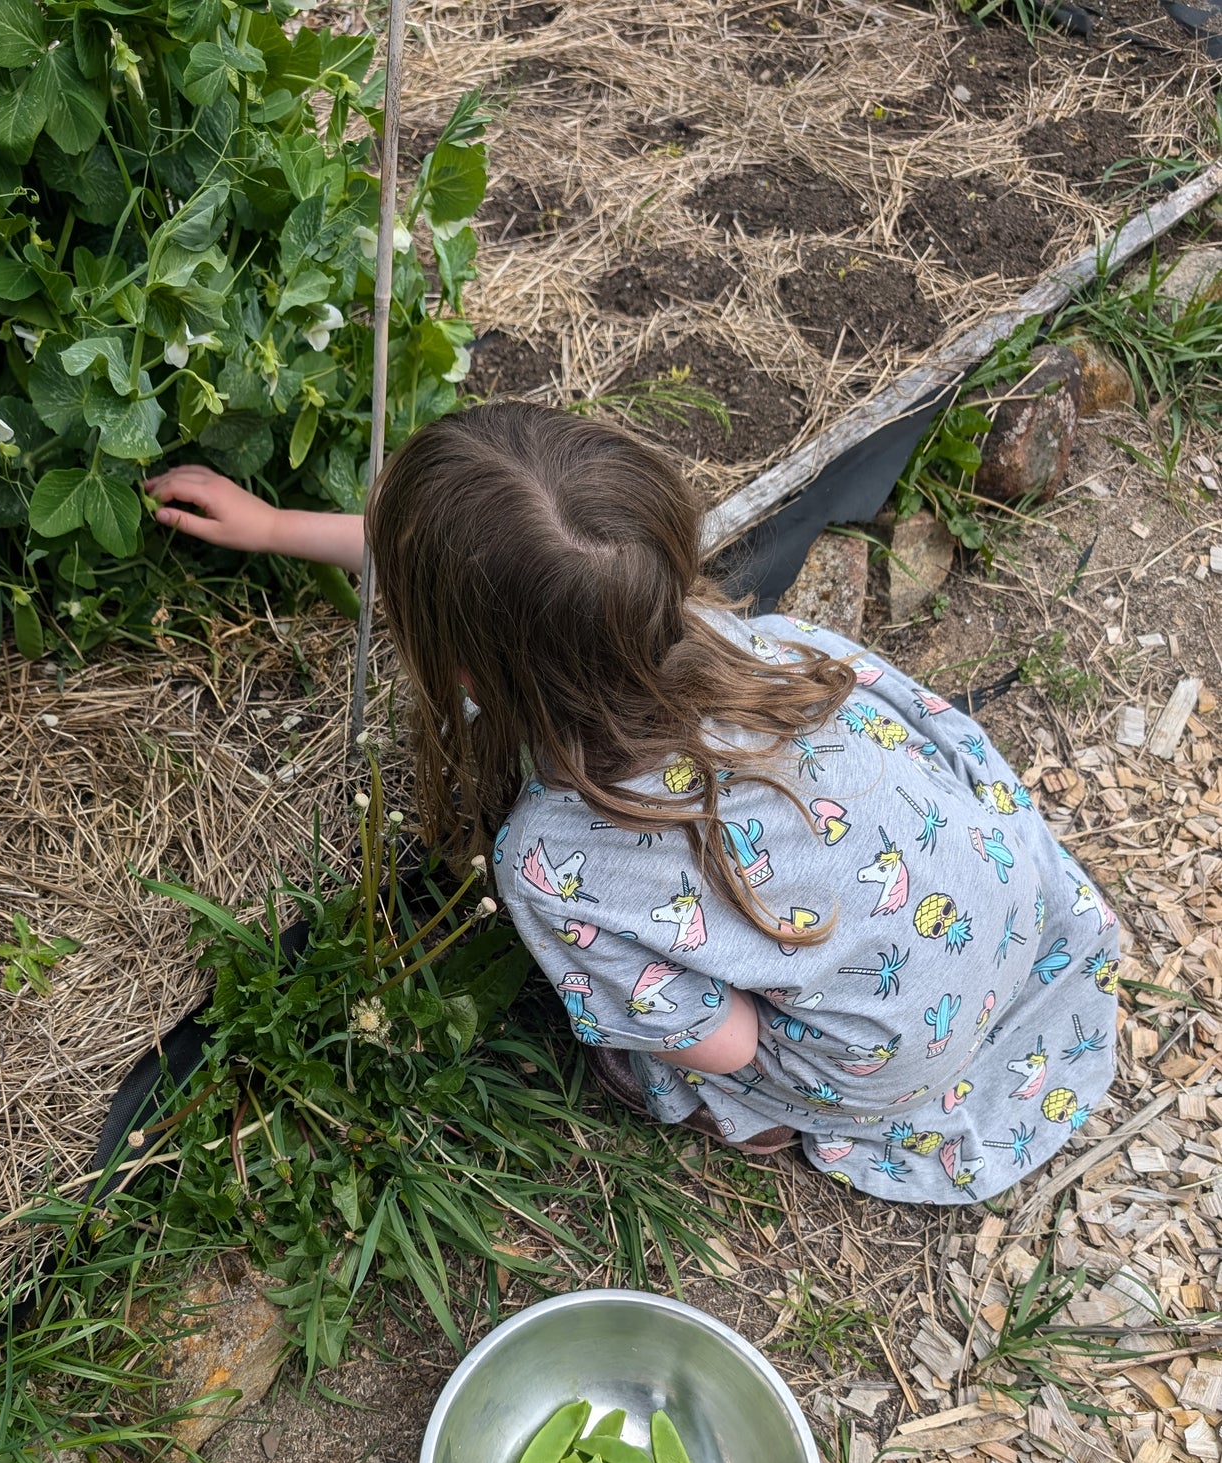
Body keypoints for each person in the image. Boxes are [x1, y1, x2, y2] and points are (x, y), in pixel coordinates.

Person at [145, 403, 1119, 1203]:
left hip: (891, 1060)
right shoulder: (752, 643)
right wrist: (275, 526)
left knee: (633, 1054)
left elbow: (728, 1040)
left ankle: (796, 1119)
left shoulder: (555, 857)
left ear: (455, 656)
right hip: (1009, 902)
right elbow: (515, 588)